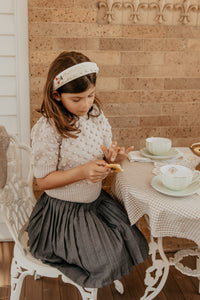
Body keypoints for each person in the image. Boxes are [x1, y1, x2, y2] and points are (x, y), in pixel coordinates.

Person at [27, 51, 149, 289]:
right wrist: (82, 172)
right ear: (57, 95)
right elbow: (42, 182)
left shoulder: (95, 115)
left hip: (95, 204)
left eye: (90, 95)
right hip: (63, 214)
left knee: (130, 237)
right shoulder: (49, 128)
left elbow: (99, 155)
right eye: (77, 99)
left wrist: (112, 158)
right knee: (106, 259)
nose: (86, 104)